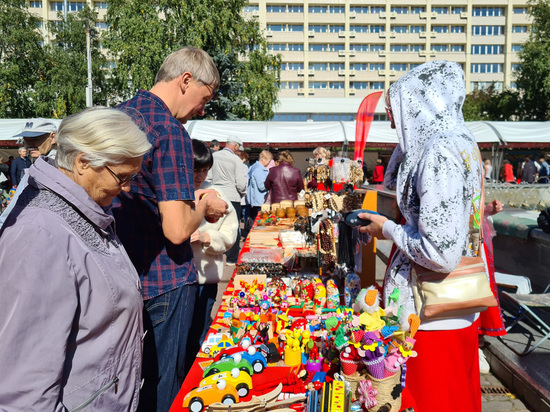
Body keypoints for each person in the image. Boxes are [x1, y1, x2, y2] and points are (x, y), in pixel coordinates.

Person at [0, 107, 151, 411]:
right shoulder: (40, 235)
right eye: (122, 177)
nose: (127, 188)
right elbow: (23, 391)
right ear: (83, 163)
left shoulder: (84, 211)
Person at [359, 61, 484, 412]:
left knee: (432, 398)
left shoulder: (438, 152)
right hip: (452, 305)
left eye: (395, 107)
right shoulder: (459, 140)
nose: (391, 118)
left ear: (420, 103)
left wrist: (386, 229)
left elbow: (438, 251)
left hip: (430, 310)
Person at [111, 46, 229, 412]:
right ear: (185, 80)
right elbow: (177, 229)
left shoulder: (119, 116)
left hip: (123, 274)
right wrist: (205, 203)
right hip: (164, 280)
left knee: (131, 382)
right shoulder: (170, 131)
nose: (202, 109)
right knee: (165, 385)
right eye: (203, 98)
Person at [184, 139, 238, 374]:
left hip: (205, 279)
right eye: (196, 169)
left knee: (200, 330)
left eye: (205, 169)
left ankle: (197, 373)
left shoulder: (218, 196)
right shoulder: (174, 195)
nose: (200, 175)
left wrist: (206, 238)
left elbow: (229, 235)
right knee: (180, 335)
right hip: (178, 279)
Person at [0, 118, 58, 228]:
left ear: (53, 137)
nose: (28, 145)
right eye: (26, 139)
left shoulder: (55, 165)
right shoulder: (39, 162)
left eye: (35, 138)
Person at [206, 136, 247, 266]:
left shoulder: (215, 156)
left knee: (215, 225)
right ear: (235, 146)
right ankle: (231, 259)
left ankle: (215, 252)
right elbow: (241, 183)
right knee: (232, 227)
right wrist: (243, 193)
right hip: (232, 196)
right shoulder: (236, 160)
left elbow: (209, 177)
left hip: (217, 194)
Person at [245, 150, 273, 231]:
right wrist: (271, 183)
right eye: (268, 160)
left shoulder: (253, 167)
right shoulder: (259, 169)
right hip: (259, 201)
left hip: (255, 200)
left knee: (255, 223)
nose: (268, 163)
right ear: (263, 158)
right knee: (259, 225)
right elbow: (261, 186)